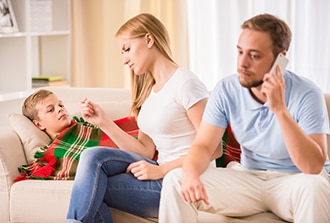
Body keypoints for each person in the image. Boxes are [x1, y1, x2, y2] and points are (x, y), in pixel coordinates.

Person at [159, 13, 330, 223]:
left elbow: (313, 167)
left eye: (254, 56)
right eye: (240, 52)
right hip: (248, 178)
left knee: (315, 186)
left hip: (295, 181)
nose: (242, 64)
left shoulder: (307, 93)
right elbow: (204, 145)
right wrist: (192, 173)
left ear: (281, 58)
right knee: (176, 179)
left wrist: (280, 111)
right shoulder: (226, 89)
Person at [66, 13, 220, 223]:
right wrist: (103, 122)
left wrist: (161, 170)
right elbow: (145, 150)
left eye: (127, 49)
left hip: (183, 180)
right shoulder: (149, 91)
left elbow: (214, 149)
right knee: (92, 157)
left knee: (91, 190)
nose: (124, 60)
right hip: (160, 170)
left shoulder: (186, 84)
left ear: (149, 40)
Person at [17, 89, 119, 181]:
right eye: (50, 110)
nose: (60, 109)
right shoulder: (53, 152)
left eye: (60, 105)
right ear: (39, 124)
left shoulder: (87, 125)